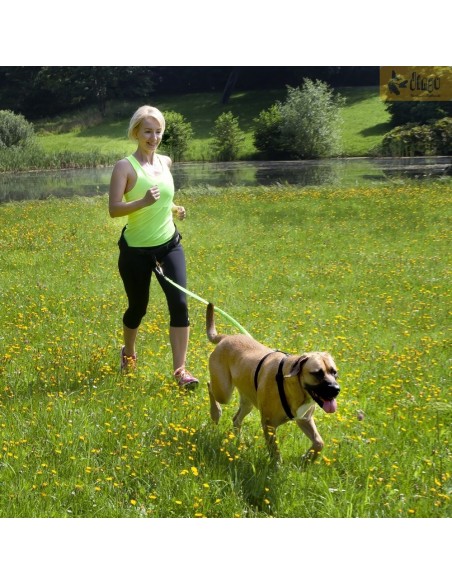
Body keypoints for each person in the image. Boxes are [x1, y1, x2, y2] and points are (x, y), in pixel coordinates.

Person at [108, 105, 198, 390]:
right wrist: (142, 202)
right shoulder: (124, 167)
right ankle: (129, 354)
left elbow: (162, 199)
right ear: (136, 132)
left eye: (158, 131)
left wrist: (174, 208)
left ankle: (180, 372)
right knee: (138, 308)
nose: (154, 137)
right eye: (148, 131)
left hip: (169, 245)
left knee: (180, 305)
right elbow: (114, 209)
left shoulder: (166, 162)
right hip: (135, 251)